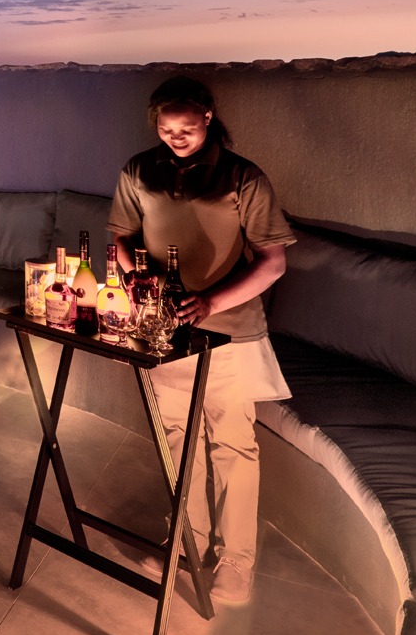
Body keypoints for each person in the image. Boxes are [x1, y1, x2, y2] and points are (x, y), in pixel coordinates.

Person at [106, 77, 296, 607]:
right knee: (175, 437)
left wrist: (211, 302)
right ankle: (186, 540)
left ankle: (236, 561)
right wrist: (137, 282)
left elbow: (273, 263)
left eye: (186, 128)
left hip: (229, 332)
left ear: (208, 117)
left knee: (231, 444)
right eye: (167, 130)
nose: (177, 138)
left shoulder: (243, 177)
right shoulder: (139, 171)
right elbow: (121, 238)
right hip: (164, 330)